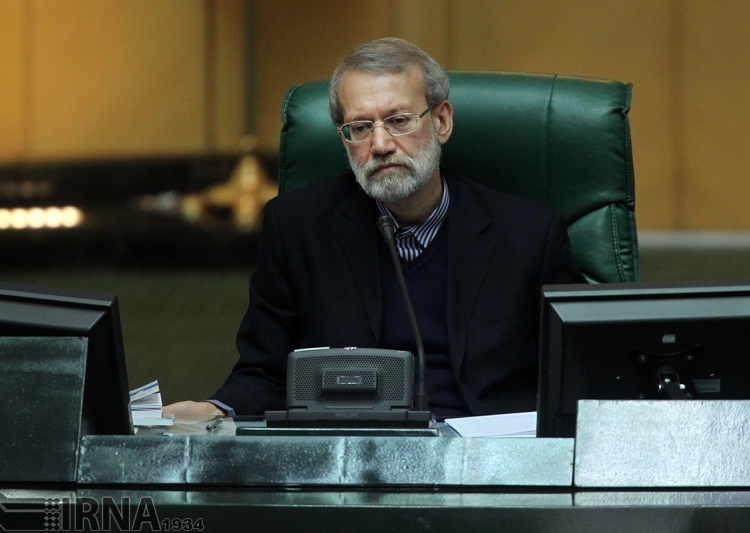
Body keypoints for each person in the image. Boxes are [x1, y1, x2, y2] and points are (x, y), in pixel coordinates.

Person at [164, 37, 586, 420]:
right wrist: (214, 409)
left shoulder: (529, 234)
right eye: (361, 128)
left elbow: (578, 372)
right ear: (343, 137)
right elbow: (266, 372)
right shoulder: (297, 228)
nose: (380, 145)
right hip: (351, 452)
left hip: (485, 457)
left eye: (399, 120)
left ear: (441, 121)